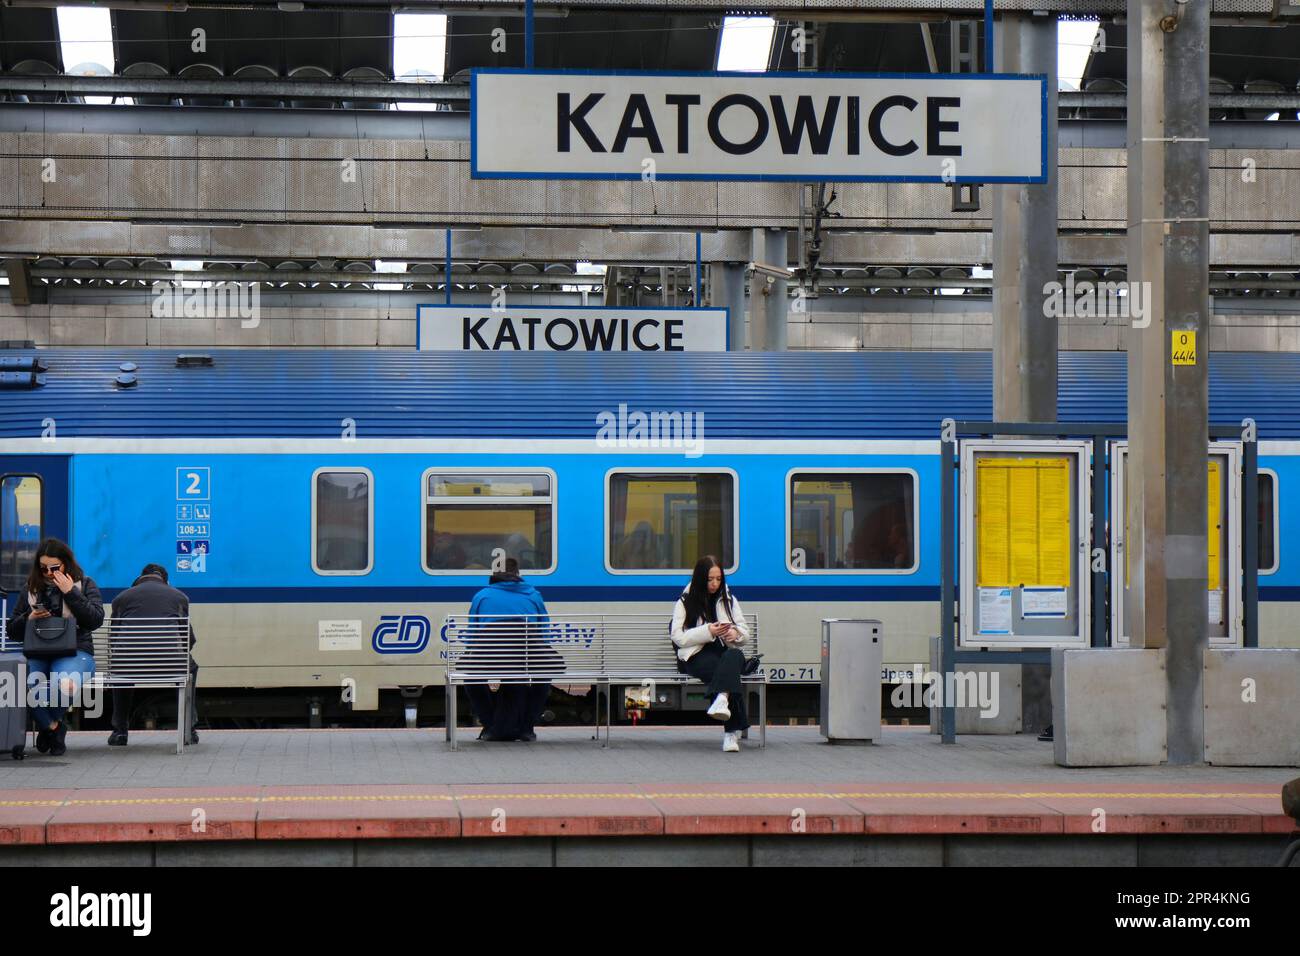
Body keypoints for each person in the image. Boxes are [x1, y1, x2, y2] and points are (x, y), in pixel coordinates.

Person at [4, 538, 103, 757]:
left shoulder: (85, 584)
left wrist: (71, 593)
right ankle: (54, 727)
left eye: (54, 568)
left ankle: (49, 724)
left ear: (66, 564)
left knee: (66, 685)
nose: (49, 573)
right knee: (22, 686)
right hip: (38, 652)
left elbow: (95, 620)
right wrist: (29, 617)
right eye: (43, 568)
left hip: (76, 651)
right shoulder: (30, 589)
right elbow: (12, 630)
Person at [107, 563, 199, 746]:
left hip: (128, 666)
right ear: (165, 580)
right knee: (191, 667)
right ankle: (189, 729)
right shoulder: (179, 597)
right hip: (169, 665)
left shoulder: (122, 598)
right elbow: (188, 640)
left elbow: (113, 638)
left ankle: (120, 732)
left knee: (120, 665)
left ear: (140, 578)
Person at [464, 558, 556, 741]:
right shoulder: (533, 595)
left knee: (470, 679)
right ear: (517, 574)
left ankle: (491, 725)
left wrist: (471, 655)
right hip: (525, 660)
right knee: (543, 678)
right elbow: (544, 633)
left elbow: (472, 635)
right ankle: (526, 728)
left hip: (490, 660)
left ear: (494, 575)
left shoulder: (482, 596)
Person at [670, 555, 750, 753]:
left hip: (724, 651)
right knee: (726, 673)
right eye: (710, 579)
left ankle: (722, 698)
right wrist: (708, 631)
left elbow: (745, 634)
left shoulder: (729, 599)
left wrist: (734, 633)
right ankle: (731, 734)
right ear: (700, 578)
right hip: (697, 654)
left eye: (719, 579)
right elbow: (678, 637)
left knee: (735, 656)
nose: (715, 584)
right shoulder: (685, 601)